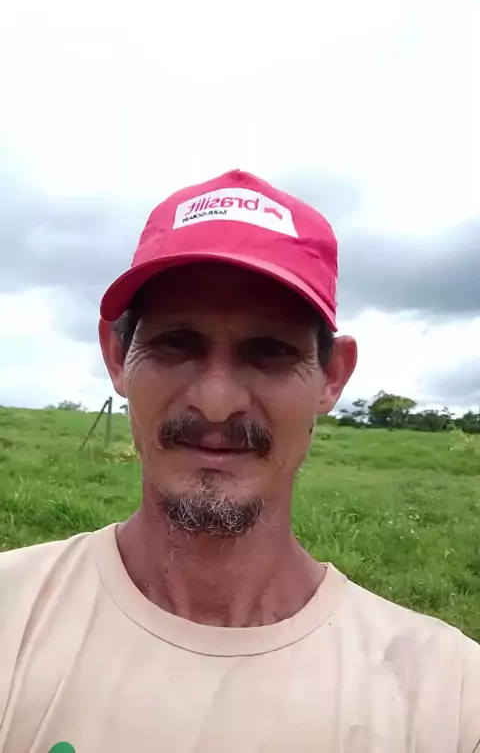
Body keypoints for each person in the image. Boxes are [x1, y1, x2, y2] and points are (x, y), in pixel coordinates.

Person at [0, 169, 478, 753]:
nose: (216, 401)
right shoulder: (12, 617)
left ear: (332, 377)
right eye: (176, 343)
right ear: (117, 356)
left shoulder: (448, 697)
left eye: (270, 351)